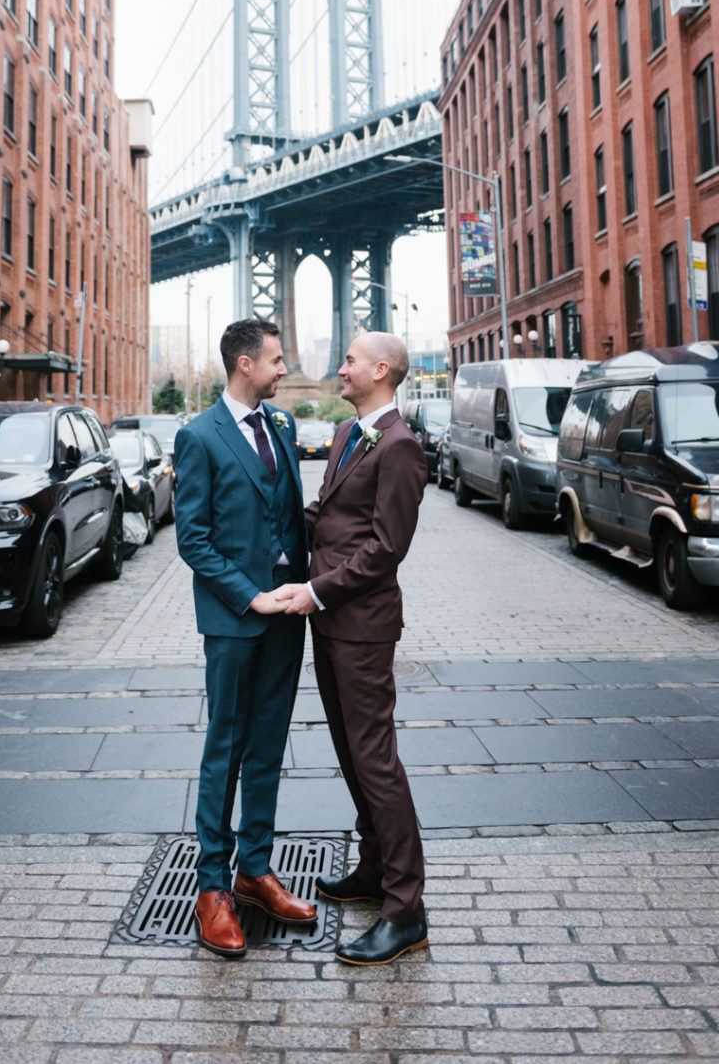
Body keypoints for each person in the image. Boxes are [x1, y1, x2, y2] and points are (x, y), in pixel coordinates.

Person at [276, 330, 428, 966]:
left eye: (350, 361)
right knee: (348, 750)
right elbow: (327, 516)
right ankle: (372, 869)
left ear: (382, 370)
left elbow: (386, 548)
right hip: (331, 621)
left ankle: (406, 910)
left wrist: (318, 590)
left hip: (361, 624)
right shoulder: (347, 433)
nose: (340, 368)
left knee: (376, 760)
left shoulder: (400, 447)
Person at [174, 317, 316, 958]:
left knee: (268, 745)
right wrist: (249, 593)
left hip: (288, 616)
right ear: (243, 364)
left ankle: (254, 871)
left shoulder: (281, 428)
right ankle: (212, 887)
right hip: (234, 621)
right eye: (277, 361)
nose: (284, 369)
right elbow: (193, 538)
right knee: (224, 749)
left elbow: (291, 514)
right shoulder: (196, 437)